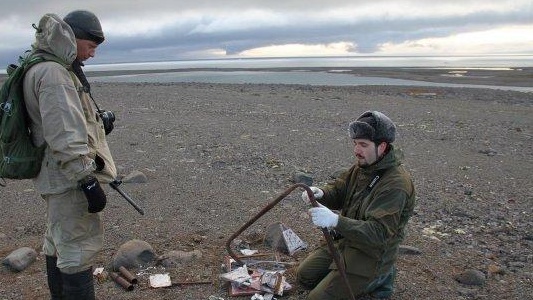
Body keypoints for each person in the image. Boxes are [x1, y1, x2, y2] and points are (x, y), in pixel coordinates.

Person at [23, 10, 116, 299]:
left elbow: (60, 124)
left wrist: (99, 125)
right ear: (74, 38)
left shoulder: (43, 66)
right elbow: (64, 136)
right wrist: (87, 182)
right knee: (77, 248)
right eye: (91, 47)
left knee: (58, 242)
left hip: (55, 175)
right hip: (68, 179)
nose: (92, 55)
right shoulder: (54, 74)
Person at [297, 111, 416, 299]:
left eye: (363, 145)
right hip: (347, 241)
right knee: (304, 277)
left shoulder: (396, 184)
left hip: (371, 254)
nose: (356, 150)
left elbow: (379, 233)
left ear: (382, 146)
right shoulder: (363, 167)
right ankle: (342, 278)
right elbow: (339, 190)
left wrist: (336, 221)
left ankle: (380, 279)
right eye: (355, 143)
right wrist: (321, 193)